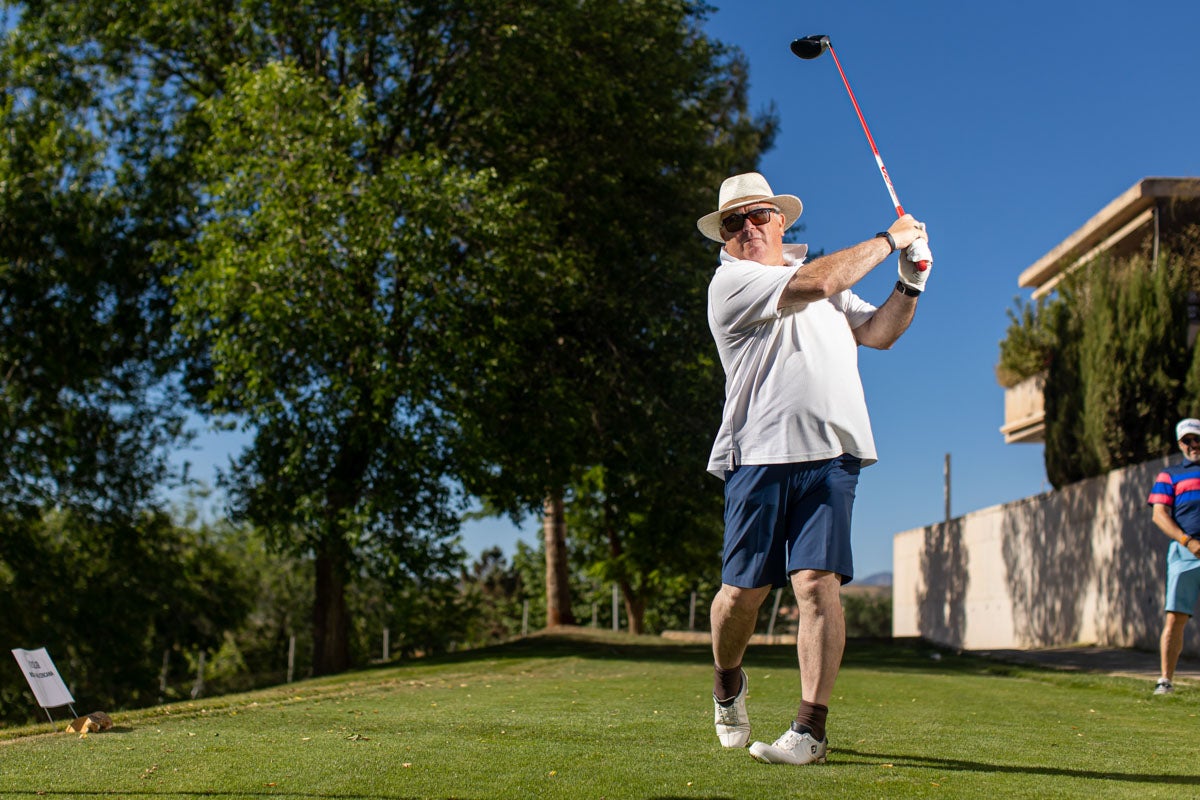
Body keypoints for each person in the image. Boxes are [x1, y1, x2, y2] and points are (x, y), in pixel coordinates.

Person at [696, 172, 932, 765]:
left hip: (832, 454)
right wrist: (890, 238)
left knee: (817, 586)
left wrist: (910, 280)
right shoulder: (732, 282)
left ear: (781, 221)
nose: (748, 228)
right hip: (758, 454)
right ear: (724, 239)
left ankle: (810, 730)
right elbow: (822, 278)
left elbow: (878, 333)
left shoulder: (820, 284)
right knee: (741, 594)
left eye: (759, 217)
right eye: (734, 223)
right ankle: (728, 680)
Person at [1148, 417, 1200, 695]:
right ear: (1180, 444)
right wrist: (1187, 541)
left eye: (1197, 439)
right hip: (1185, 553)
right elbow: (1159, 514)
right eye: (1186, 440)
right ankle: (1165, 681)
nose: (1193, 445)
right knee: (1175, 618)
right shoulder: (1170, 476)